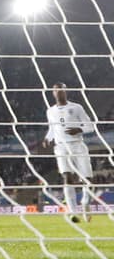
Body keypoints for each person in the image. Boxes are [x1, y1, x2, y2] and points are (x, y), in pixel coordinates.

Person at [42, 82, 99, 223]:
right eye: (56, 90)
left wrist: (78, 129)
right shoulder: (50, 111)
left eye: (61, 89)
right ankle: (72, 211)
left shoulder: (76, 107)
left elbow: (90, 126)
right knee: (67, 178)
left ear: (65, 91)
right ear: (53, 93)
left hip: (78, 145)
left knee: (87, 180)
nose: (59, 92)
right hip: (61, 147)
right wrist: (47, 139)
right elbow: (52, 129)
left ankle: (86, 203)